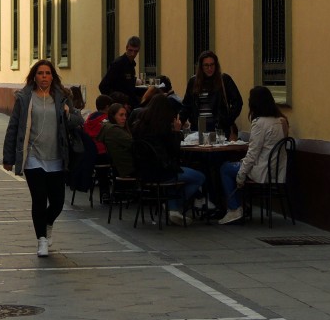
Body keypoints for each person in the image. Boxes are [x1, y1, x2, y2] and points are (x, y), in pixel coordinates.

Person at [2, 59, 82, 257]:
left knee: (57, 202)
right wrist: (8, 157)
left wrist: (67, 114)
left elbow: (78, 120)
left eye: (47, 73)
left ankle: (47, 224)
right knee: (38, 199)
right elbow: (14, 127)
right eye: (40, 73)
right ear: (34, 76)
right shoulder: (24, 98)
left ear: (52, 76)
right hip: (33, 157)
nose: (44, 77)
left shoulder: (63, 97)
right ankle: (42, 240)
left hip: (57, 156)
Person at [219, 86, 289, 225]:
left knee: (225, 168)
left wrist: (241, 174)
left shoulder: (259, 124)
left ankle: (234, 208)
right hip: (277, 169)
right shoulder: (281, 121)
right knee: (234, 167)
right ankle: (241, 205)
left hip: (261, 170)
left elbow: (252, 153)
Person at [131, 93, 206, 224]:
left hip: (143, 171)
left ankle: (172, 207)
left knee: (176, 172)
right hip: (162, 171)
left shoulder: (139, 125)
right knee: (199, 177)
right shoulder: (162, 127)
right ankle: (174, 206)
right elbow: (174, 151)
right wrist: (177, 131)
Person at [182, 51, 243, 141]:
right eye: (206, 65)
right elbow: (187, 105)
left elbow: (237, 102)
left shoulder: (224, 80)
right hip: (198, 129)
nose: (210, 68)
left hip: (219, 128)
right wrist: (181, 120)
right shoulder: (193, 82)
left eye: (212, 65)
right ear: (201, 67)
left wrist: (227, 120)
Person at [99, 36, 140, 109]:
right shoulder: (118, 64)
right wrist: (117, 104)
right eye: (130, 50)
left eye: (135, 51)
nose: (133, 54)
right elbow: (103, 86)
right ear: (126, 48)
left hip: (129, 103)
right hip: (120, 106)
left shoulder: (131, 65)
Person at [98, 102, 134, 177]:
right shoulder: (114, 130)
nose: (124, 118)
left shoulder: (108, 127)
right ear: (113, 116)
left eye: (125, 115)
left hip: (121, 167)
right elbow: (133, 144)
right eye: (121, 115)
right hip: (127, 168)